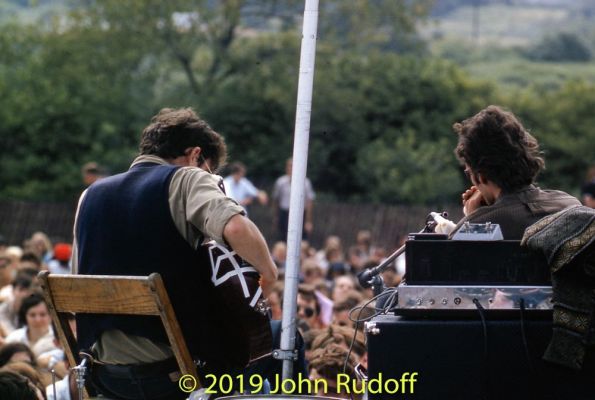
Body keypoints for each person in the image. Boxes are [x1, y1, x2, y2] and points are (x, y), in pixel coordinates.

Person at [72, 107, 304, 399]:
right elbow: (236, 229)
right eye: (210, 171)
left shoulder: (88, 196)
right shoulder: (187, 178)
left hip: (104, 373)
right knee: (287, 335)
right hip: (175, 373)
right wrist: (269, 274)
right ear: (196, 156)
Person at [451, 105, 581, 239]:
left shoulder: (473, 228)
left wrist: (473, 218)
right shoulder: (571, 205)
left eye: (469, 173)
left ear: (481, 176)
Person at [272, 157, 315, 242]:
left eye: (293, 166)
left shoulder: (305, 182)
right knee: (284, 238)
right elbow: (276, 200)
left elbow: (309, 201)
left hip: (300, 213)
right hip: (284, 213)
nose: (291, 168)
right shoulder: (280, 182)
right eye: (289, 166)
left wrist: (308, 221)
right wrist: (276, 217)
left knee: (301, 239)